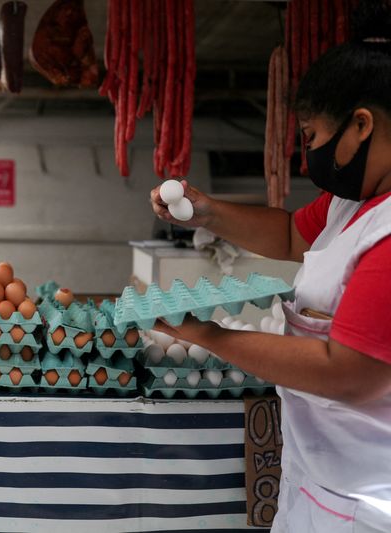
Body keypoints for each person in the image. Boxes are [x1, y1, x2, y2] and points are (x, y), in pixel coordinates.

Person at [150, 2, 391, 531]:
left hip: (369, 496)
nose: (308, 153)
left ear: (361, 126)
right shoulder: (352, 203)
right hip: (320, 477)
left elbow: (349, 374)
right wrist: (205, 210)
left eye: (312, 136)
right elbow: (288, 233)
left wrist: (210, 335)